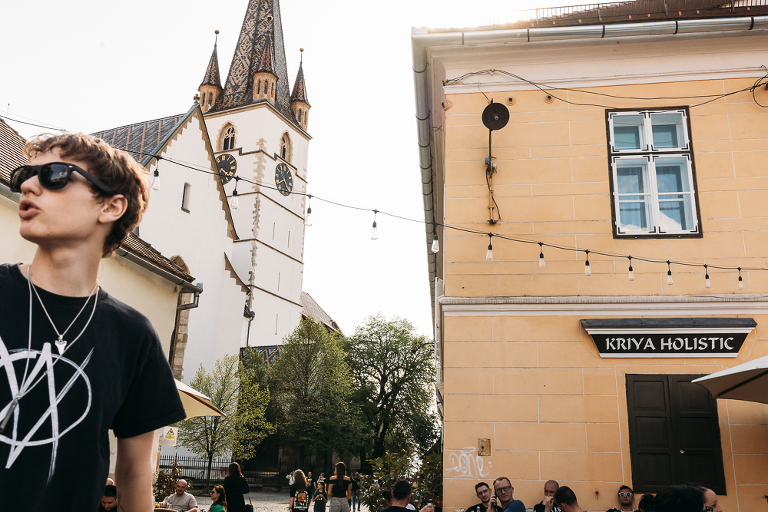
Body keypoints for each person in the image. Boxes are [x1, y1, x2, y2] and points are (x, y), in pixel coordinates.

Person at [0, 133, 186, 511]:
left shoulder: (134, 336)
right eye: (25, 175)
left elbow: (135, 474)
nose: (29, 186)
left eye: (54, 175)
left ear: (111, 206)